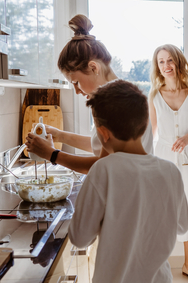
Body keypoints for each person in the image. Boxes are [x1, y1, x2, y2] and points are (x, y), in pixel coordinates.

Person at [69, 79, 188, 283]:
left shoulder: (103, 171)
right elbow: (183, 225)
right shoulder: (170, 171)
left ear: (102, 133)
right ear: (145, 123)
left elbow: (80, 238)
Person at [25, 14, 154, 173]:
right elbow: (103, 145)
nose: (77, 91)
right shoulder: (122, 94)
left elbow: (103, 165)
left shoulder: (114, 101)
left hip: (128, 188)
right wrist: (59, 135)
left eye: (76, 82)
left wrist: (52, 154)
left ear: (94, 68)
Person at [149, 44, 188, 283]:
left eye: (169, 60)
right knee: (161, 211)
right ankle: (158, 267)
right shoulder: (154, 95)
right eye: (161, 62)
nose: (165, 66)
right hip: (163, 159)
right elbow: (151, 132)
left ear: (178, 62)